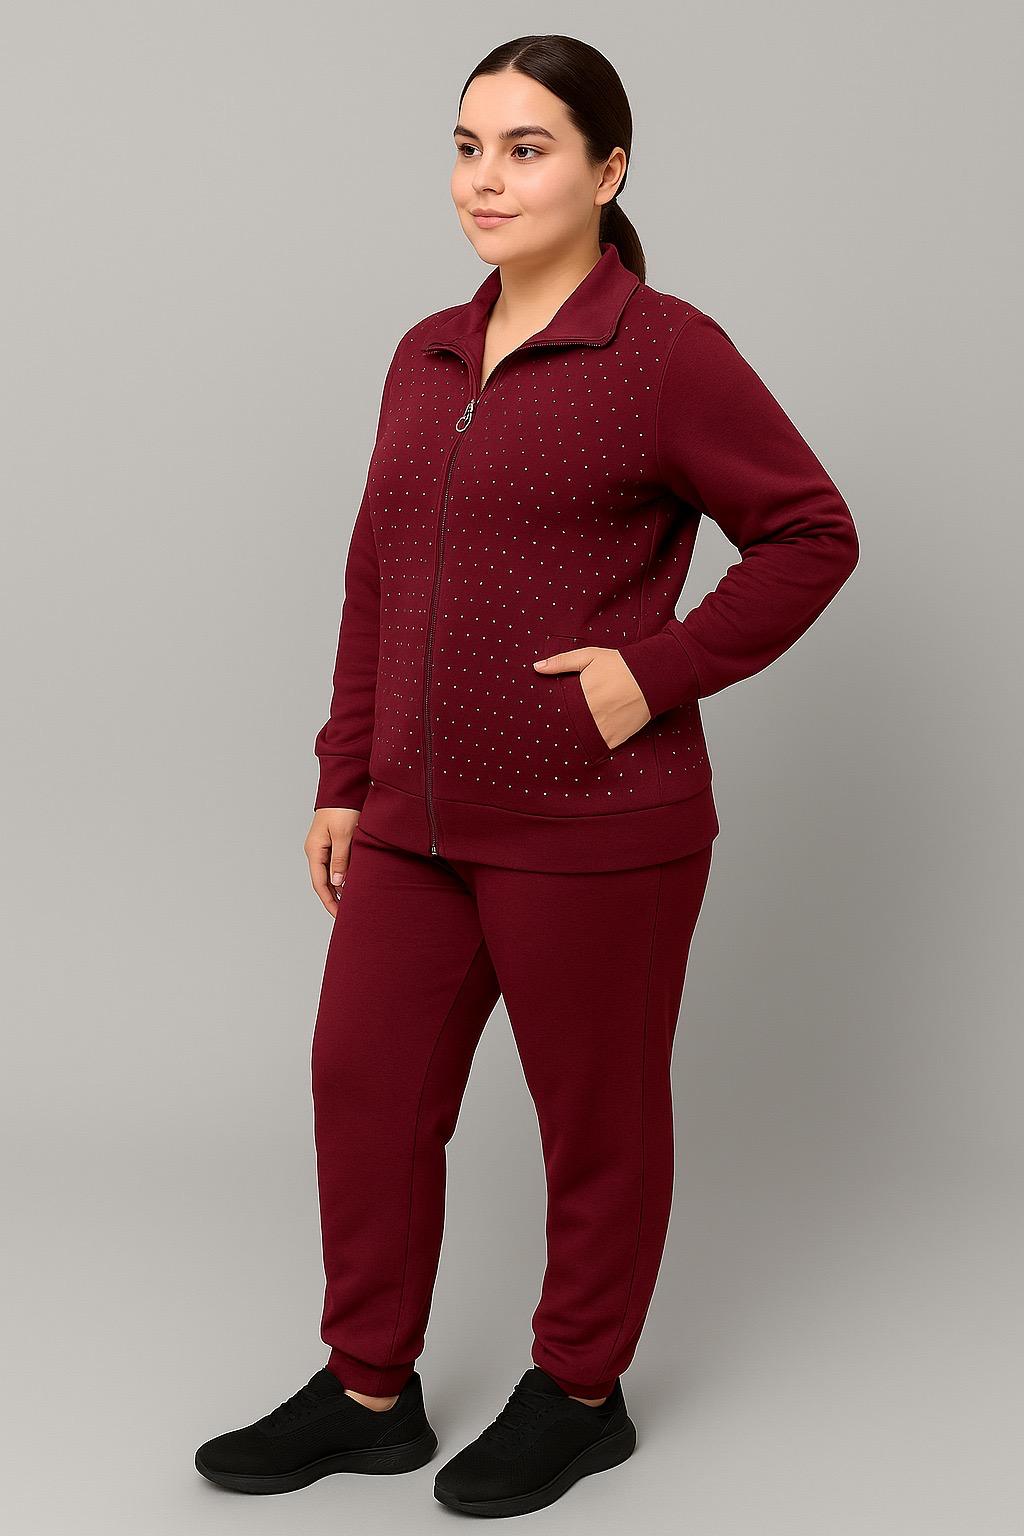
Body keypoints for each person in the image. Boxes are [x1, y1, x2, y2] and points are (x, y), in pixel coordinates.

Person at [194, 32, 859, 1519]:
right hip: (415, 823)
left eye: (527, 148)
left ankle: (580, 1393)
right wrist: (344, 775)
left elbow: (813, 533)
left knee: (594, 1122)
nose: (486, 180)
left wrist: (656, 670)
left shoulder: (668, 353)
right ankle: (369, 1391)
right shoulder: (427, 350)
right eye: (468, 147)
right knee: (363, 1086)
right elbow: (378, 572)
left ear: (608, 172)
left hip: (597, 824)